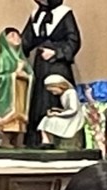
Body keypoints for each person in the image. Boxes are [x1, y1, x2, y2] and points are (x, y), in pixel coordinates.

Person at [21, 0, 81, 147]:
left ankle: (59, 140)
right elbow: (27, 40)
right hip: (41, 66)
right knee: (40, 101)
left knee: (57, 99)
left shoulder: (64, 13)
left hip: (58, 66)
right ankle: (38, 140)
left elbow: (74, 41)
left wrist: (57, 52)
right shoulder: (36, 15)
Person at [0, 27, 34, 149]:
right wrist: (15, 73)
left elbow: (31, 75)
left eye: (18, 36)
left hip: (21, 90)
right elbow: (0, 76)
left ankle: (19, 140)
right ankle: (6, 140)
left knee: (20, 113)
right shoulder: (3, 57)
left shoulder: (22, 58)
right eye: (12, 36)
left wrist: (27, 76)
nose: (16, 38)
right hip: (9, 92)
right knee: (10, 112)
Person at [37, 75, 85, 148]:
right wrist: (58, 110)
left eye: (53, 90)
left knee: (49, 120)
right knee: (46, 119)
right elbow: (67, 109)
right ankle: (47, 141)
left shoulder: (71, 93)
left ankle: (48, 141)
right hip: (68, 116)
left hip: (74, 119)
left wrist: (57, 114)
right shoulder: (63, 94)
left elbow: (73, 110)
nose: (53, 93)